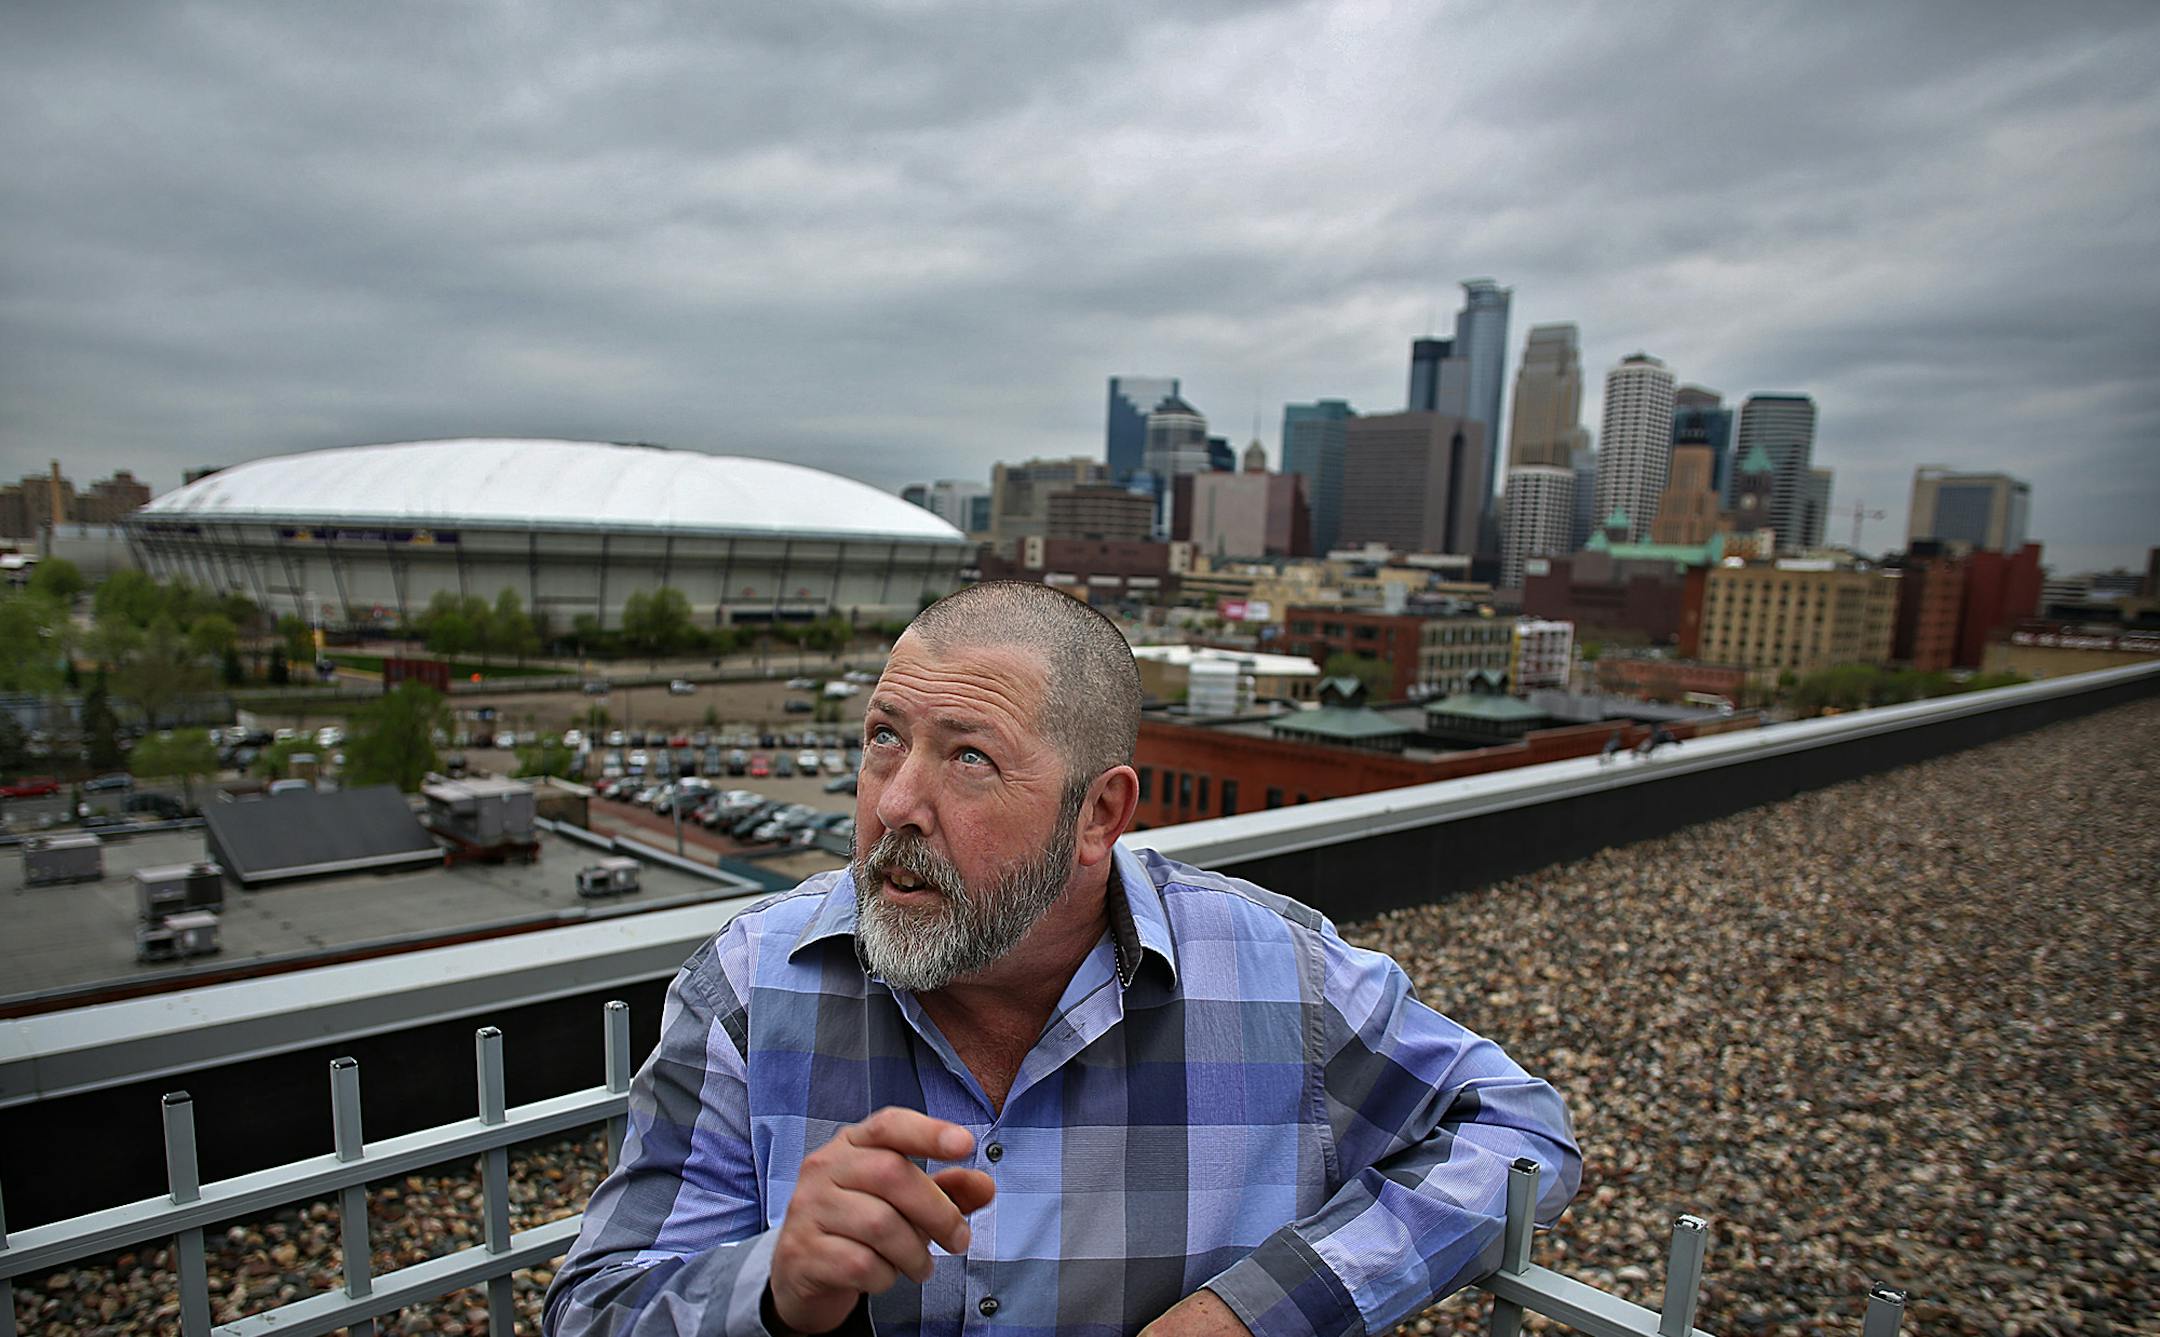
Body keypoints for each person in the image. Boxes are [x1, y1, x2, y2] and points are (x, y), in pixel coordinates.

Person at [544, 582, 1579, 1337]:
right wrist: (774, 1285)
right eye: (881, 736)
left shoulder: (1277, 980)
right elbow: (596, 1307)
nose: (895, 800)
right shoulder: (750, 984)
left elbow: (1515, 1126)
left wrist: (1250, 1312)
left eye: (969, 756)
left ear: (1099, 813)